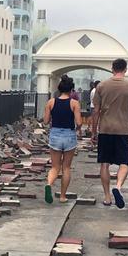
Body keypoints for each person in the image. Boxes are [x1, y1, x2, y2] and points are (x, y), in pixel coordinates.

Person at [91, 59, 128, 209]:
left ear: (112, 69)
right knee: (123, 163)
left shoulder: (101, 86)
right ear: (126, 69)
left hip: (105, 129)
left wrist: (93, 131)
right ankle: (119, 186)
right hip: (123, 130)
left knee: (104, 164)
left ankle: (107, 197)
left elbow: (95, 111)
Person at [43, 75, 83, 204]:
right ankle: (62, 196)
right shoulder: (74, 103)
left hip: (55, 134)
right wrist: (78, 128)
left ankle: (49, 184)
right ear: (71, 90)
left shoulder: (51, 102)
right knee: (66, 168)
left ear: (59, 89)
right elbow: (79, 122)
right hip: (69, 135)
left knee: (55, 167)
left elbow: (45, 121)